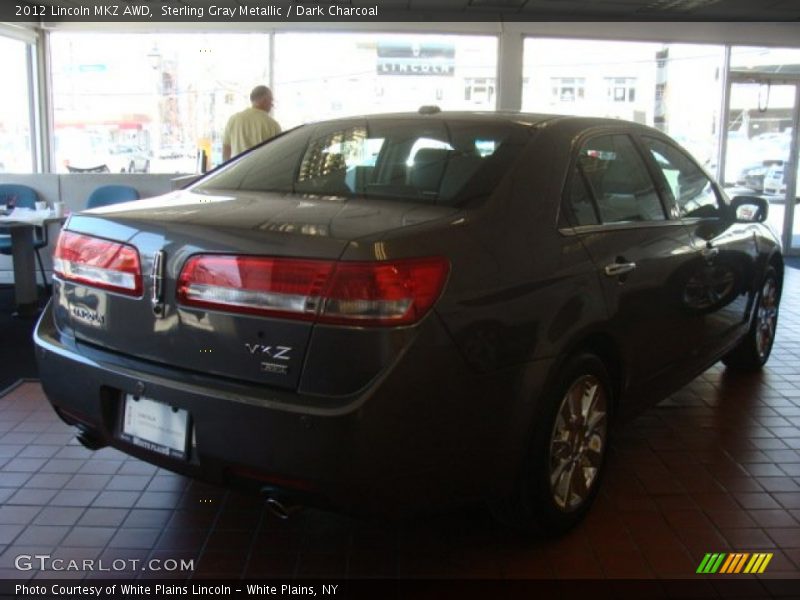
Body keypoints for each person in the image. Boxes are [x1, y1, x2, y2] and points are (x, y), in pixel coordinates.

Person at [222, 85, 281, 161]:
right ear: (264, 100)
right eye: (271, 100)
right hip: (261, 171)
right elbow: (277, 155)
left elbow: (226, 150)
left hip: (238, 171)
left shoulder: (234, 119)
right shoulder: (273, 125)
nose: (272, 105)